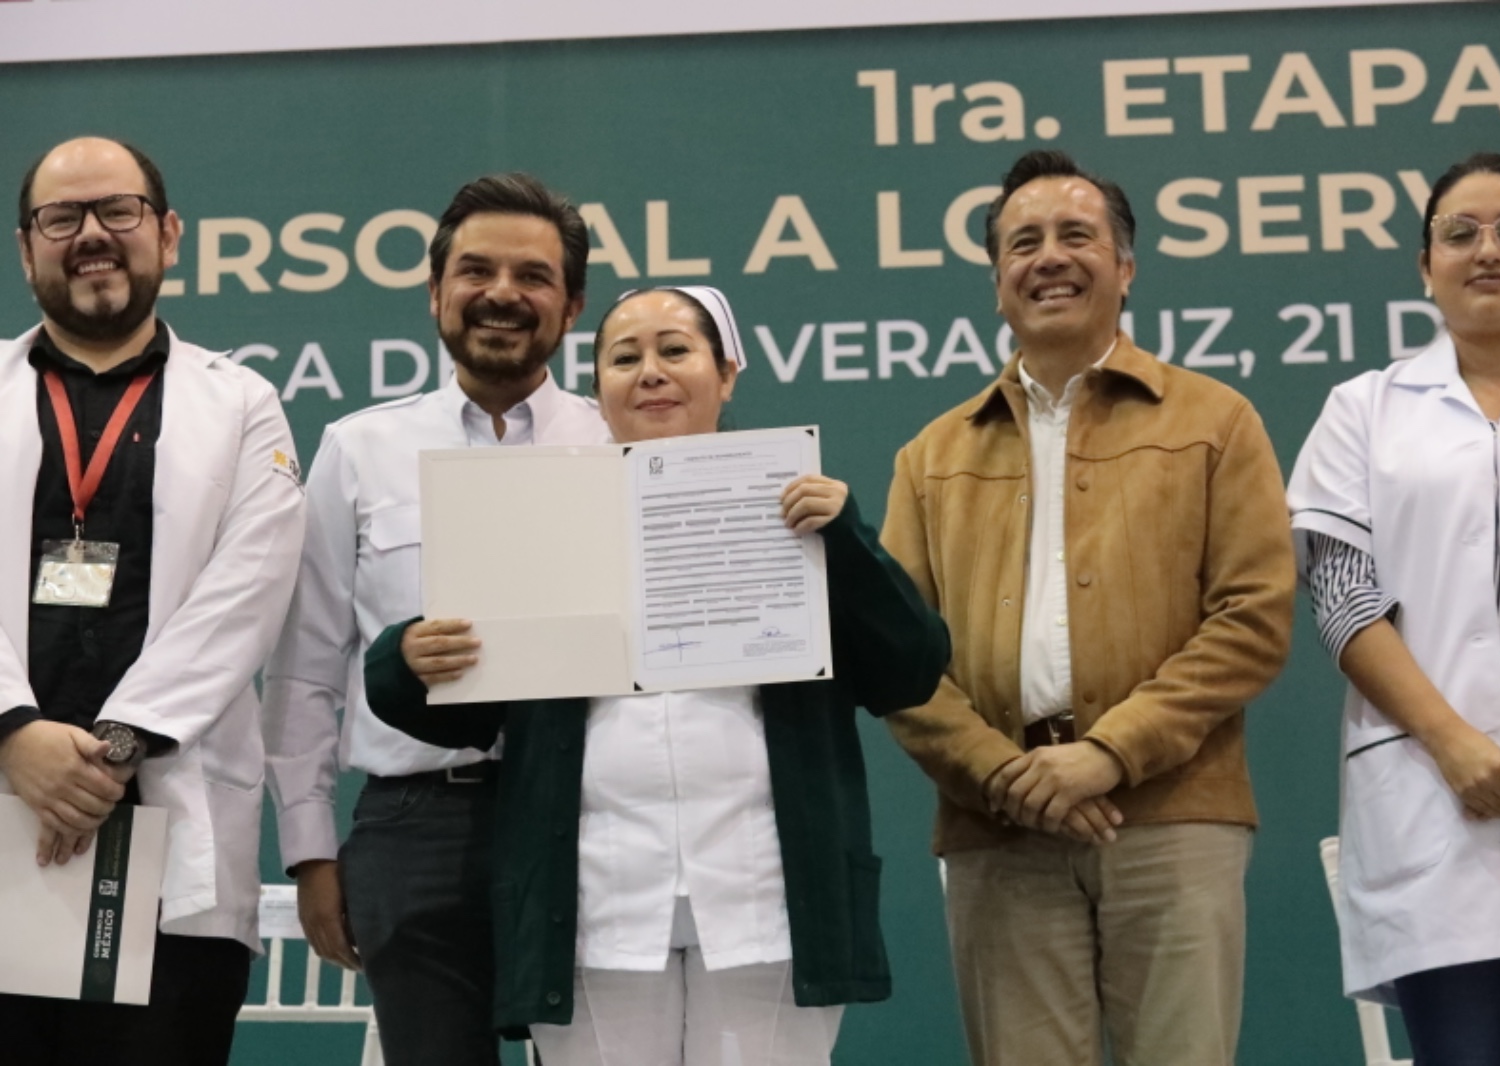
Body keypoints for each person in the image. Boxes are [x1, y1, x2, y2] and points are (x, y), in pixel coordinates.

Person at [362, 285, 950, 1065]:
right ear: (597, 387)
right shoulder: (540, 516)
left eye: (675, 350)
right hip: (593, 906)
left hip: (769, 901)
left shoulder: (803, 512)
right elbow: (456, 709)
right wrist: (406, 659)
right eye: (624, 358)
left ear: (727, 373)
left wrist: (847, 544)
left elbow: (911, 669)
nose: (650, 372)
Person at [879, 150, 1295, 1066]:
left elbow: (1253, 617)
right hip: (998, 825)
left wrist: (1108, 754)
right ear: (997, 280)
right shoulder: (930, 456)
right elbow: (900, 659)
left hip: (1172, 815)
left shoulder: (1216, 421)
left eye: (1077, 235)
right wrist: (1004, 775)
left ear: (1126, 267)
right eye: (1023, 242)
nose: (1050, 257)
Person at [260, 172, 611, 1065]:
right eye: (476, 270)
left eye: (533, 276)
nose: (502, 293)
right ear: (435, 292)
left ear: (572, 305)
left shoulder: (620, 445)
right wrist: (310, 853)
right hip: (414, 827)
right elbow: (305, 668)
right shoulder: (359, 448)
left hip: (596, 817)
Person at [1288, 151, 1500, 1065]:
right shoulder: (1365, 409)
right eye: (1459, 234)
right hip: (1432, 793)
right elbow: (1340, 595)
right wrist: (1452, 742)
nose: (1488, 250)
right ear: (1426, 267)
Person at [0, 137, 305, 1065]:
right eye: (62, 217)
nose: (92, 234)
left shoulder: (243, 404)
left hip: (168, 845)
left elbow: (247, 594)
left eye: (118, 211)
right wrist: (14, 731)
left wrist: (113, 749)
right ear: (26, 250)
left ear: (168, 234)